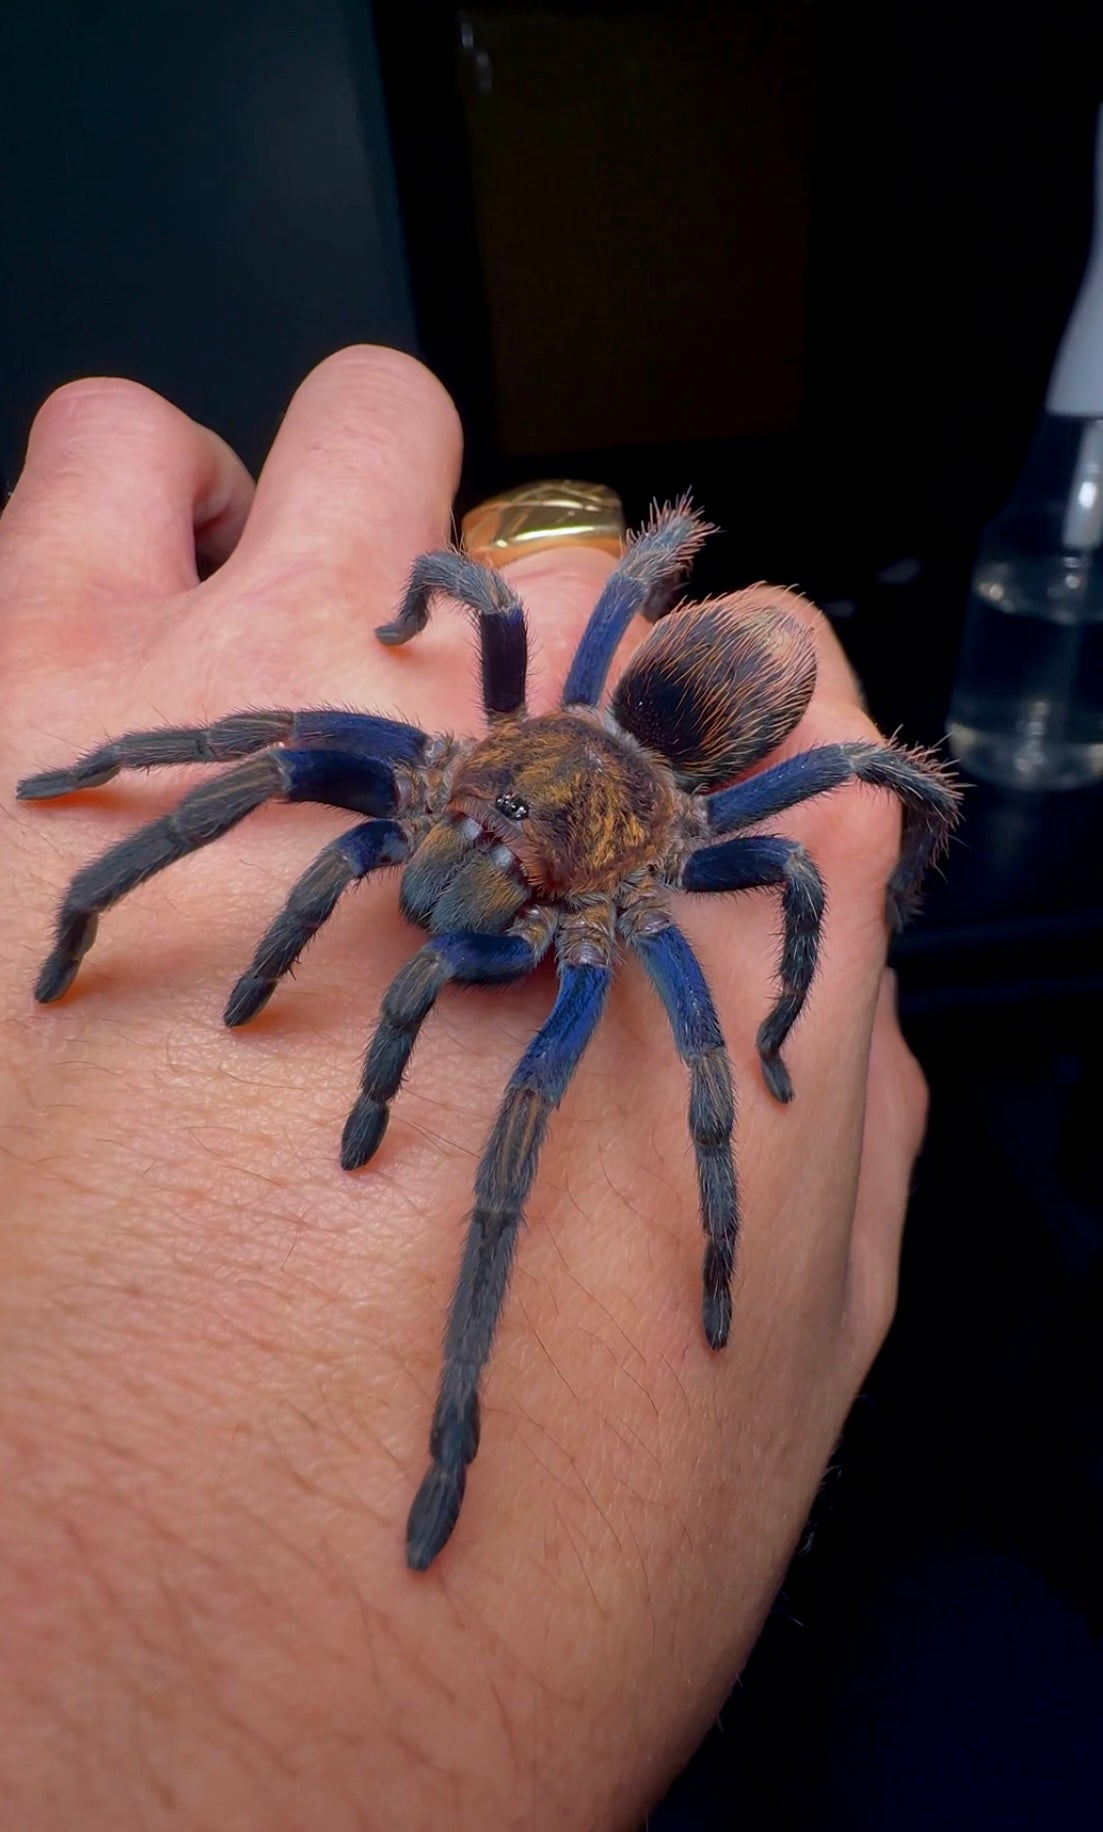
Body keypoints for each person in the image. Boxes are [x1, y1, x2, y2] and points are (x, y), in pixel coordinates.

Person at [0, 346, 928, 1828]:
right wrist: (103, 789)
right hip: (554, 764)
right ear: (467, 768)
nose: (463, 875)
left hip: (672, 781)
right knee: (265, 757)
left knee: (566, 1109)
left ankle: (455, 1442)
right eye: (468, 829)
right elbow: (460, 595)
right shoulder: (438, 771)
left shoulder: (652, 893)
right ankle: (85, 871)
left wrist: (761, 1062)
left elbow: (731, 1035)